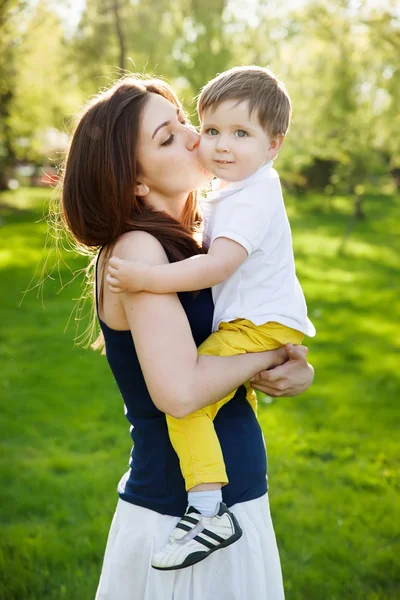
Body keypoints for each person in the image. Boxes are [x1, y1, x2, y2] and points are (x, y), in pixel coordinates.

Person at [60, 74, 314, 600]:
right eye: (168, 137)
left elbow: (240, 336)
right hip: (181, 519)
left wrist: (293, 365)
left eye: (183, 121)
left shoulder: (197, 241)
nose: (195, 137)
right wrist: (270, 349)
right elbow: (179, 392)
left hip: (233, 503)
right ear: (134, 181)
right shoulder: (139, 253)